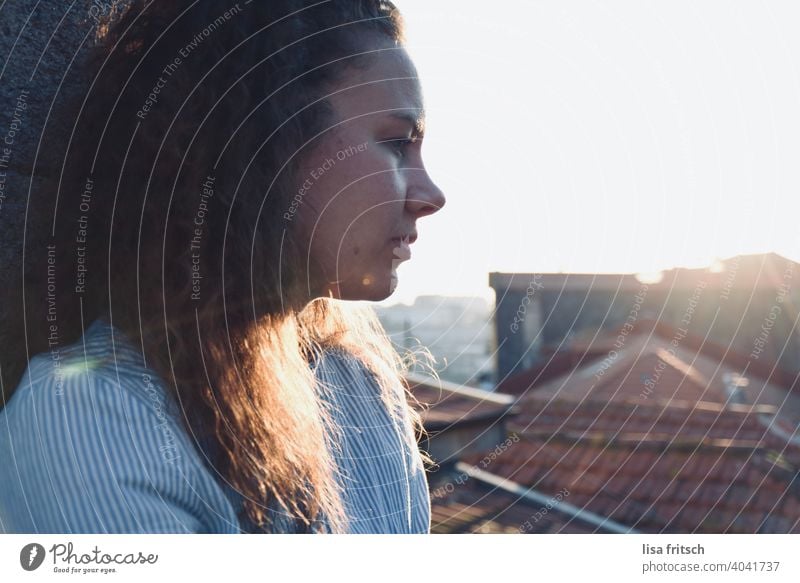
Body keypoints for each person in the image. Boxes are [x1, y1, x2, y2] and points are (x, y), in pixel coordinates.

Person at [0, 0, 446, 534]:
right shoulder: (87, 419)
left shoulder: (358, 383)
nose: (432, 195)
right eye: (396, 142)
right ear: (263, 144)